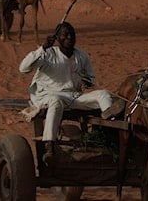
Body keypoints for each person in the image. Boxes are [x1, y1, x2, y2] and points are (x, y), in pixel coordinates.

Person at [19, 22, 125, 165]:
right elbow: (23, 68)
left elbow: (91, 80)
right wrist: (42, 48)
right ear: (57, 38)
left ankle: (111, 135)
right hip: (47, 95)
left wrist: (86, 82)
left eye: (72, 34)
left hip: (74, 96)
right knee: (55, 101)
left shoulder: (81, 56)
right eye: (65, 35)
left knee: (104, 95)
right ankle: (49, 146)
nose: (69, 37)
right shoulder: (47, 53)